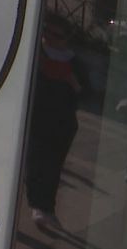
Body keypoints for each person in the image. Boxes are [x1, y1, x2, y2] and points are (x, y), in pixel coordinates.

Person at [25, 17, 84, 232]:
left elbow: (82, 90)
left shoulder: (74, 61)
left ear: (66, 39)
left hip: (62, 123)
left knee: (53, 167)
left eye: (56, 35)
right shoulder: (37, 52)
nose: (49, 38)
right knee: (35, 163)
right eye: (47, 32)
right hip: (38, 119)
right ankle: (37, 207)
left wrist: (71, 81)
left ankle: (47, 208)